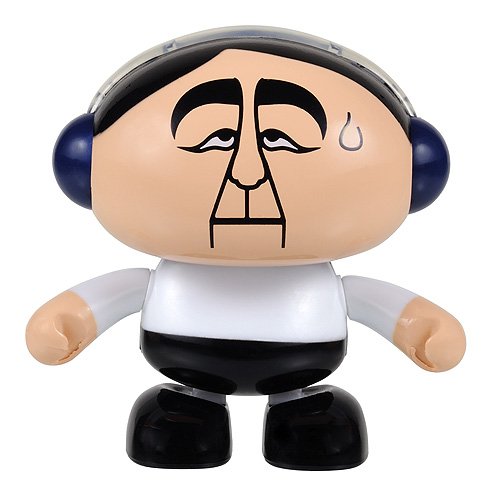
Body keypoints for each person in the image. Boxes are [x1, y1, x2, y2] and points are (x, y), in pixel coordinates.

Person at [26, 26, 465, 470]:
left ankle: (299, 413)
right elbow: (106, 298)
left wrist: (422, 328)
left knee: (320, 432)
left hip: (303, 373)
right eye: (215, 139)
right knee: (174, 429)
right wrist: (68, 321)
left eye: (284, 140)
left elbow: (381, 304)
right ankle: (194, 413)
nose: (248, 174)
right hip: (188, 375)